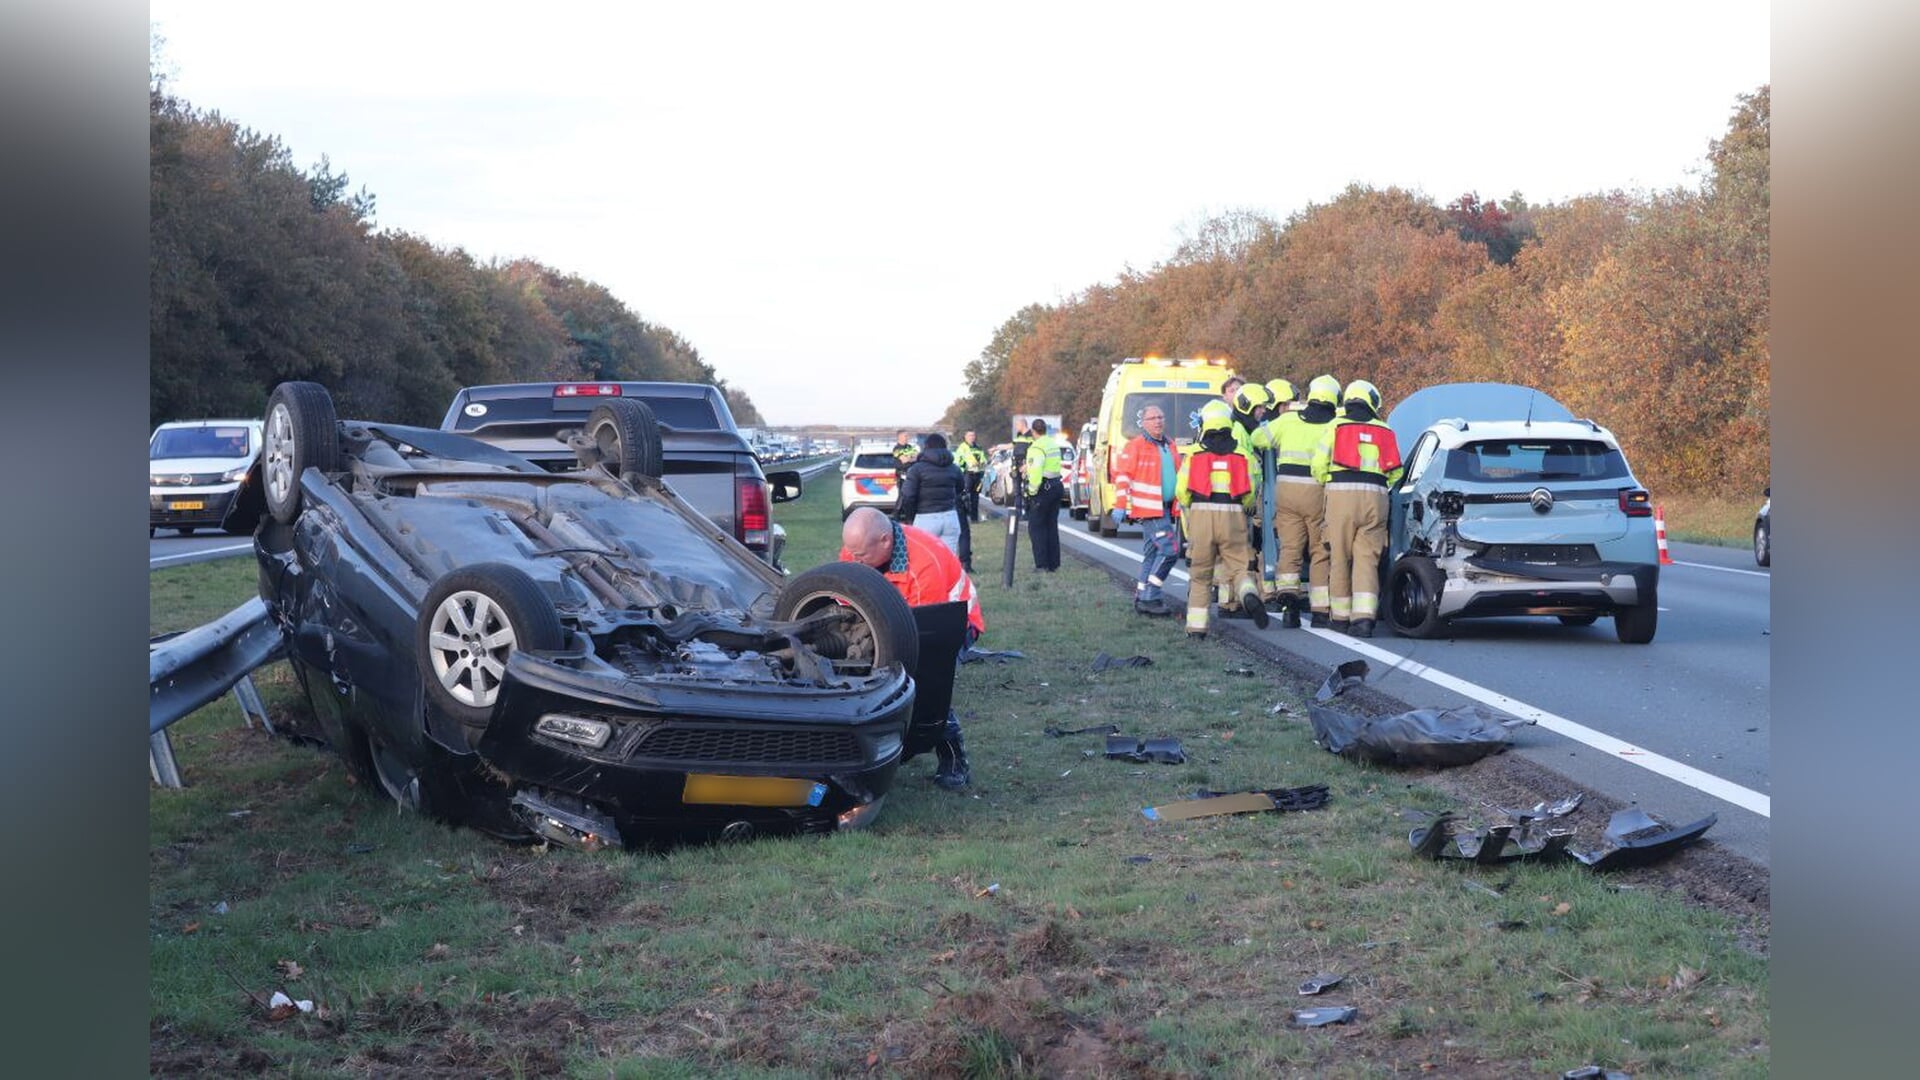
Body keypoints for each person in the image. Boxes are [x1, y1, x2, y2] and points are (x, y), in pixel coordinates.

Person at [840, 507, 984, 789]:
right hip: (895, 621)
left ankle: (953, 759)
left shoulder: (923, 566)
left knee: (926, 688)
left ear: (884, 541)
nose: (854, 560)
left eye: (861, 556)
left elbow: (919, 642)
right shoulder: (857, 550)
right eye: (851, 553)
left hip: (948, 624)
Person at [1310, 379, 1404, 637]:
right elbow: (1396, 471)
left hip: (1341, 495)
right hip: (1376, 497)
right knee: (1367, 559)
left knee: (1339, 556)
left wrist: (1326, 482)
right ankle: (1363, 619)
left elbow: (1318, 465)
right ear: (1373, 402)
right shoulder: (1385, 430)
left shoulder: (1335, 426)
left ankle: (1340, 618)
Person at [1176, 400, 1268, 638]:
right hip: (1232, 515)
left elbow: (1181, 491)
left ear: (1205, 423)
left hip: (1201, 515)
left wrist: (1192, 506)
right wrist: (1242, 508)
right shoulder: (1242, 454)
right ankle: (1248, 593)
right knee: (1239, 567)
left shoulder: (1194, 454)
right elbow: (1250, 492)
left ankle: (1197, 629)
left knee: (1201, 575)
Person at [1255, 376, 1339, 627]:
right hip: (1317, 490)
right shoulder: (1335, 425)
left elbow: (1258, 438)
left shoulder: (1289, 420)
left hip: (1286, 489)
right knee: (1319, 551)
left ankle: (1289, 603)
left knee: (1290, 548)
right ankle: (1320, 611)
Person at [1109, 403, 1182, 617]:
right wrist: (1120, 505)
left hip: (1167, 507)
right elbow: (1123, 476)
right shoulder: (1136, 446)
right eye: (1153, 418)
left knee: (1151, 554)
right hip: (1150, 509)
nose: (1158, 421)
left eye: (1161, 417)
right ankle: (1152, 595)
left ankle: (1141, 598)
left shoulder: (1170, 444)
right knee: (1170, 551)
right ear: (1144, 422)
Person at [896, 432, 965, 560]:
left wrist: (910, 517)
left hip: (925, 517)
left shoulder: (916, 469)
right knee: (948, 562)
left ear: (926, 447)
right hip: (950, 516)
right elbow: (961, 488)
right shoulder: (954, 468)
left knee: (925, 561)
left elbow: (908, 496)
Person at [1023, 418, 1068, 571]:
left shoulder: (1036, 447)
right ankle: (1054, 564)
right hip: (1056, 486)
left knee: (1036, 528)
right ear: (1045, 430)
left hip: (1043, 489)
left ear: (1033, 431)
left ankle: (1041, 565)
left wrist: (1031, 491)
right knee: (1051, 526)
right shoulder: (1052, 444)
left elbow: (1036, 471)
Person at [953, 429, 987, 522]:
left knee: (975, 497)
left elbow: (984, 461)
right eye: (969, 435)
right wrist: (965, 468)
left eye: (973, 435)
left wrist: (980, 465)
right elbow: (957, 462)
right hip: (967, 475)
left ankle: (974, 518)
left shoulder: (978, 448)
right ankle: (963, 517)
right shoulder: (962, 448)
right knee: (965, 496)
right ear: (965, 437)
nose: (972, 437)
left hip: (977, 475)